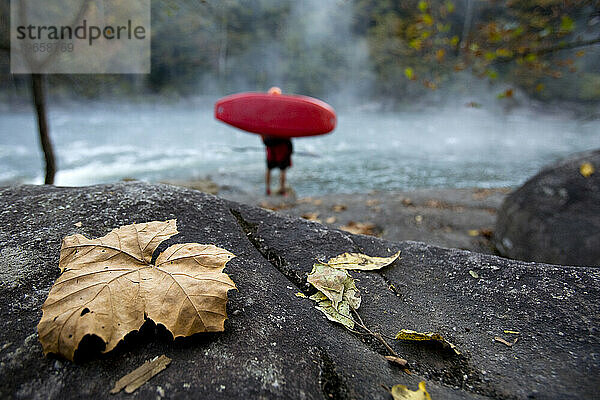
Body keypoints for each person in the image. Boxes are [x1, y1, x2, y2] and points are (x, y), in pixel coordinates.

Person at [262, 86, 293, 196]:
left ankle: (268, 189)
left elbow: (260, 128)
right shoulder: (284, 109)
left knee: (269, 167)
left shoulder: (265, 110)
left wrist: (263, 140)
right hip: (281, 143)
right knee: (282, 168)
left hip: (271, 143)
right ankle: (282, 190)